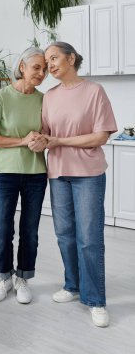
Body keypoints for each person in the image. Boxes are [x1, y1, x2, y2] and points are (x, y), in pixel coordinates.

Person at [29, 41, 117, 327]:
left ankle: (95, 300)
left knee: (89, 238)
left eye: (54, 58)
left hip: (88, 174)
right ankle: (72, 285)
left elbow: (100, 136)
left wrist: (58, 141)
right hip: (58, 173)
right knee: (65, 234)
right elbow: (46, 133)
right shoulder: (50, 96)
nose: (49, 65)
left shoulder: (94, 92)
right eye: (46, 61)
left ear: (71, 58)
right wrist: (37, 139)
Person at [0, 47, 47, 304]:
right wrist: (22, 140)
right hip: (7, 173)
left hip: (36, 173)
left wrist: (42, 140)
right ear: (22, 67)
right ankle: (4, 277)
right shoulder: (1, 97)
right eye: (36, 68)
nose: (42, 73)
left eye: (44, 69)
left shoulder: (44, 99)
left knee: (29, 230)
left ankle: (23, 278)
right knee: (3, 228)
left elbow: (50, 133)